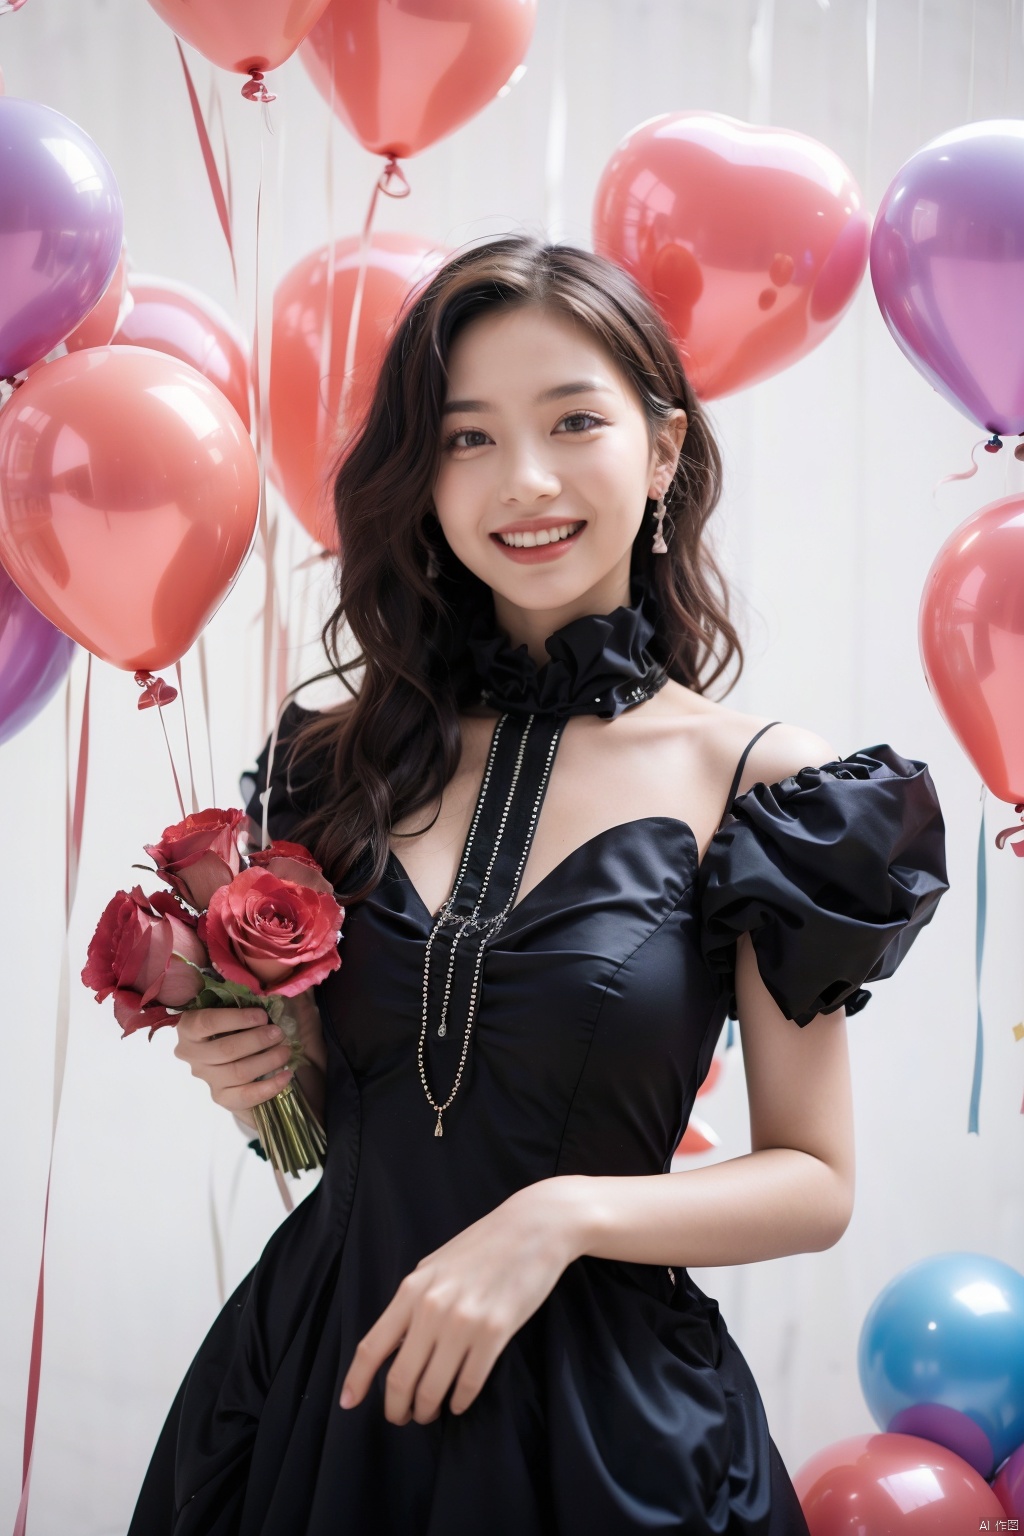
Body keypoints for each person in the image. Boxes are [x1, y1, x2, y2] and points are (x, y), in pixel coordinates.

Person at [129, 236, 949, 1535]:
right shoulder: (332, 761)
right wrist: (258, 1081)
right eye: (467, 438)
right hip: (322, 1396)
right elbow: (346, 1124)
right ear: (425, 475)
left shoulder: (770, 789)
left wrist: (557, 1218)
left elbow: (813, 1178)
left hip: (611, 1436)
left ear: (664, 447)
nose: (526, 480)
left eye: (574, 421)